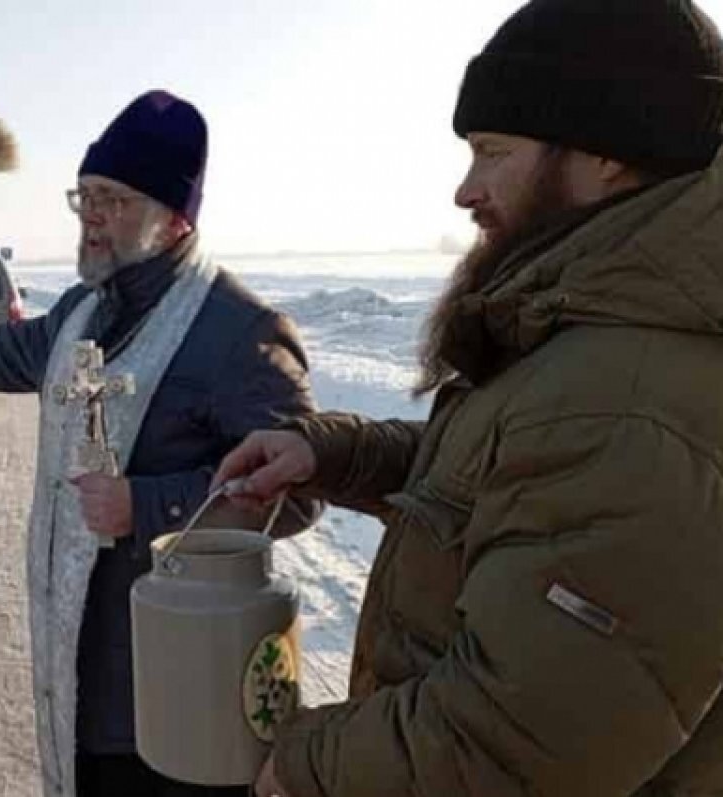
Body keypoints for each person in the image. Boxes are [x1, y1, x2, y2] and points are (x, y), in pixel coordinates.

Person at [213, 1, 723, 795]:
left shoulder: (631, 398)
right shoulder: (600, 330)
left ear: (607, 155)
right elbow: (518, 481)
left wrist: (303, 760)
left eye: (492, 152)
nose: (465, 189)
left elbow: (513, 738)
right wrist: (337, 454)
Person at [0, 89, 320, 797]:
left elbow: (300, 493)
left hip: (189, 693)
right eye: (83, 197)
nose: (90, 220)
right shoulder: (83, 312)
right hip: (85, 692)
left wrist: (144, 506)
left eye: (111, 200)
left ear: (176, 217)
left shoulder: (239, 332)